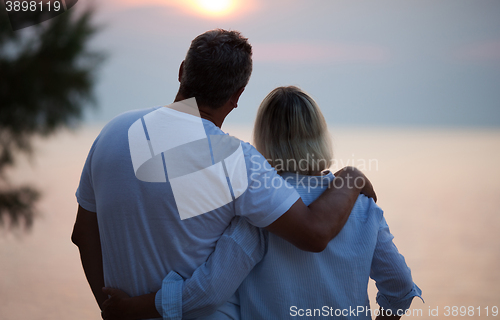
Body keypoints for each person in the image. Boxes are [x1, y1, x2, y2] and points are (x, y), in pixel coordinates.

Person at [71, 29, 376, 320]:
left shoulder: (113, 132)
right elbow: (314, 233)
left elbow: (83, 234)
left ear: (182, 71)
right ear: (237, 95)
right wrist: (352, 177)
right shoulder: (237, 161)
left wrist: (112, 308)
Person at [101, 87, 422, 320]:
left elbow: (207, 293)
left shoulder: (261, 212)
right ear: (321, 136)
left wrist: (132, 308)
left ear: (264, 139)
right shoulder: (363, 207)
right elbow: (399, 287)